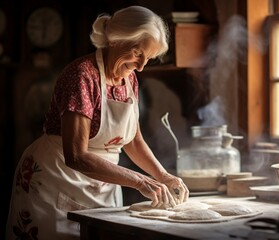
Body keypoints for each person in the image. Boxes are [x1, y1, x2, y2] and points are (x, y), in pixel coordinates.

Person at [6, 5, 189, 240]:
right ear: (115, 40)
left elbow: (133, 140)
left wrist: (163, 176)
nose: (141, 66)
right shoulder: (82, 76)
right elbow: (76, 155)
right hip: (56, 180)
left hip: (103, 183)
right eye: (137, 53)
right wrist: (141, 181)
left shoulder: (129, 77)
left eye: (149, 58)